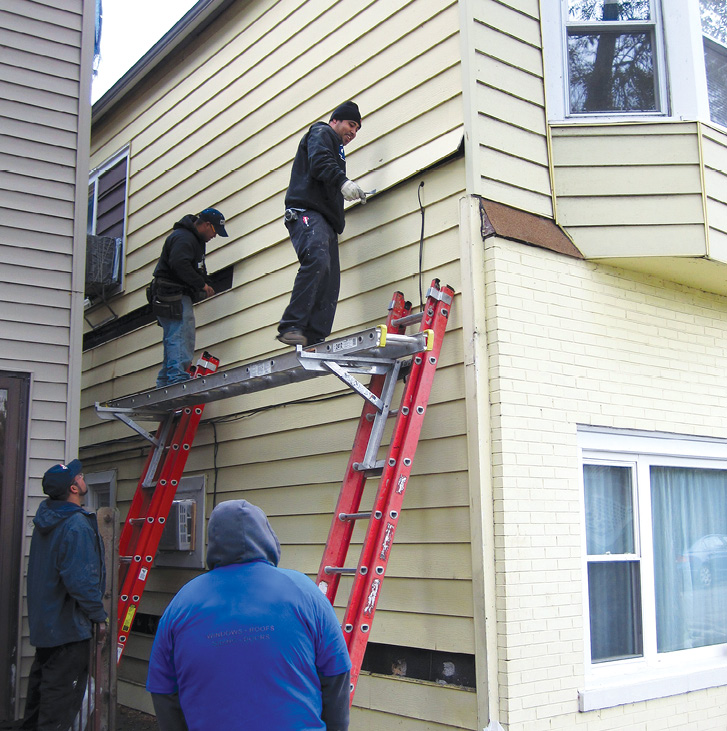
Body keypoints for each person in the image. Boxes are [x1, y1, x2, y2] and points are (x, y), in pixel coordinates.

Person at [147, 499, 351, 731]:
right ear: (267, 537)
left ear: (213, 541)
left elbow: (163, 691)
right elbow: (337, 676)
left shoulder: (180, 606)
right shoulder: (305, 592)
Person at [21, 459, 107, 731]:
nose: (83, 478)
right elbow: (80, 580)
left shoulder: (46, 519)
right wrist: (99, 616)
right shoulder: (75, 525)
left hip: (47, 628)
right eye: (80, 476)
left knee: (39, 708)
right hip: (69, 631)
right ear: (73, 487)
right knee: (57, 713)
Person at [277, 101, 366, 347]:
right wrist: (342, 182)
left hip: (326, 221)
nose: (353, 132)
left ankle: (314, 335)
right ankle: (291, 326)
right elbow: (319, 162)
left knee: (329, 280)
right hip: (307, 212)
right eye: (351, 124)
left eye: (357, 129)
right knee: (317, 259)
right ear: (335, 120)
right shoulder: (321, 132)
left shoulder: (336, 148)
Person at [150, 208, 229, 388]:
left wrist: (206, 282)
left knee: (174, 337)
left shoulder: (196, 241)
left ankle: (166, 381)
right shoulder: (184, 237)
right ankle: (177, 379)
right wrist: (201, 285)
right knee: (181, 336)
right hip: (172, 294)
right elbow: (179, 264)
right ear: (207, 225)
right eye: (215, 231)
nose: (214, 236)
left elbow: (198, 268)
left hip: (173, 295)